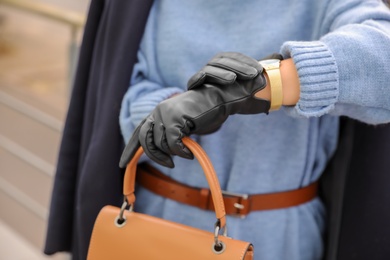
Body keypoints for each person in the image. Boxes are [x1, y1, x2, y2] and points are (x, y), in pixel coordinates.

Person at [43, 0, 390, 259]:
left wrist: (264, 83)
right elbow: (115, 82)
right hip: (156, 224)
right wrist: (164, 112)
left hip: (277, 237)